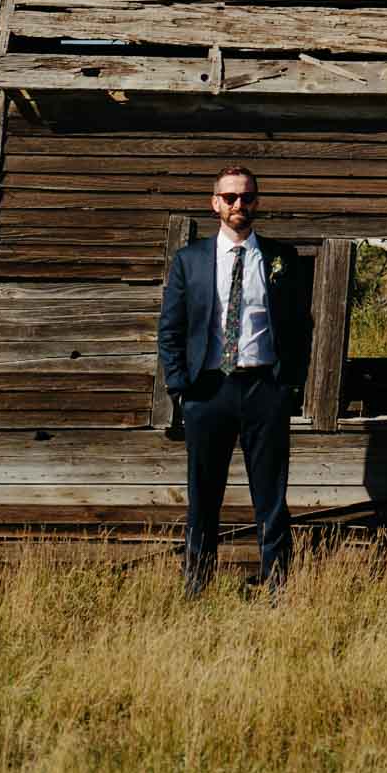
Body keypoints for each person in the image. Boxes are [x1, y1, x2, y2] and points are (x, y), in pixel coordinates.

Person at [157, 164, 310, 596]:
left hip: (264, 389)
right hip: (208, 390)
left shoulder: (282, 257)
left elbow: (301, 325)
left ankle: (276, 584)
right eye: (229, 197)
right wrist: (179, 387)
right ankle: (196, 584)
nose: (238, 205)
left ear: (257, 202)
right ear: (215, 204)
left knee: (271, 496)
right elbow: (170, 328)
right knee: (203, 494)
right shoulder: (191, 261)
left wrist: (289, 386)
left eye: (245, 197)